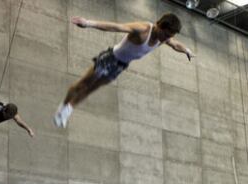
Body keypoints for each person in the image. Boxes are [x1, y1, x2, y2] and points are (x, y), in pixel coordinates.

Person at [54, 13, 195, 128]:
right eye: (165, 34)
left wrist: (187, 50)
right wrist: (88, 23)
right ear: (159, 25)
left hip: (121, 65)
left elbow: (175, 45)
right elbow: (116, 27)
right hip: (111, 58)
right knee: (83, 84)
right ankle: (63, 105)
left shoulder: (163, 38)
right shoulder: (143, 29)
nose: (166, 39)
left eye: (169, 36)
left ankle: (69, 109)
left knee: (92, 89)